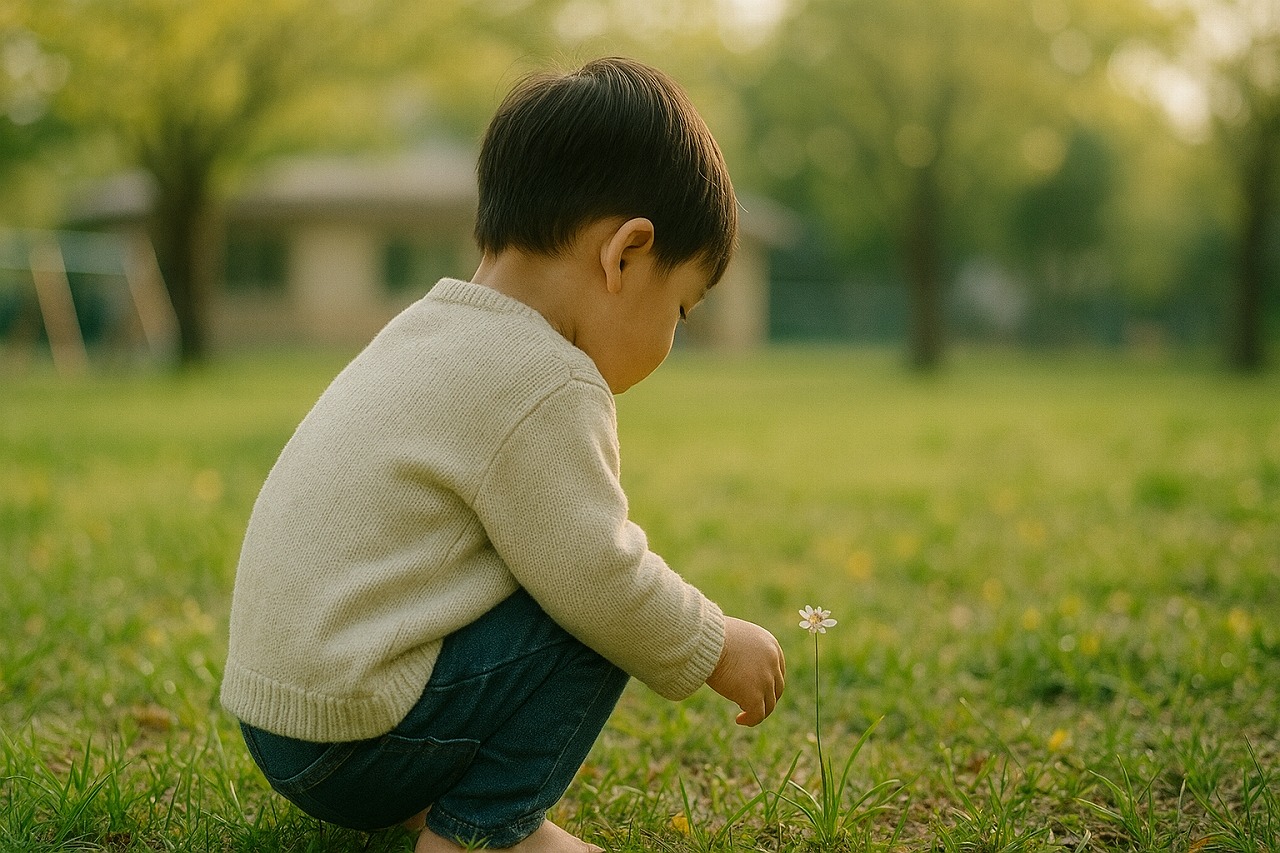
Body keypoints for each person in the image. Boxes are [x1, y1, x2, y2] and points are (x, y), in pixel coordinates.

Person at [220, 56, 786, 853]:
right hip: (353, 738)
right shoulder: (547, 377)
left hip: (280, 720)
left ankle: (435, 800)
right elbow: (601, 579)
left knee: (554, 578)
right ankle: (482, 833)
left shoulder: (426, 328)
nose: (672, 338)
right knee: (592, 611)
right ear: (624, 255)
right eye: (682, 308)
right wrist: (715, 641)